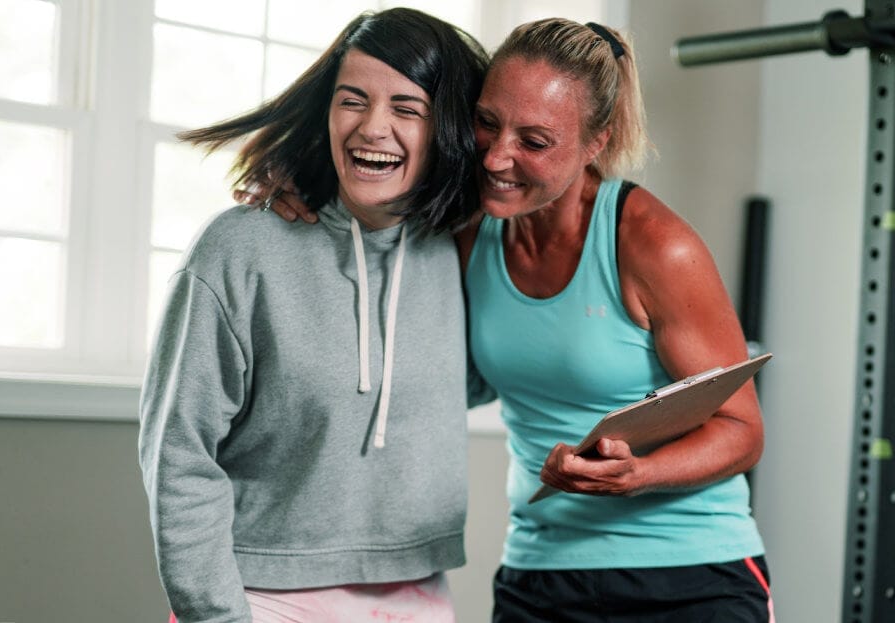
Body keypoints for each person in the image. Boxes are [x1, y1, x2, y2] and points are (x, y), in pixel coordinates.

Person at [270, 17, 775, 623]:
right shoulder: (469, 231)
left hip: (691, 574)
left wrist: (637, 472)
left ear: (597, 143)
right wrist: (300, 188)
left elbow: (743, 429)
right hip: (541, 573)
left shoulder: (654, 246)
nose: (497, 155)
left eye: (534, 141)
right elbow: (376, 184)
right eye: (487, 123)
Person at [137, 8, 488, 623]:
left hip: (418, 592)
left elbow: (472, 380)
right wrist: (218, 616)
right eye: (352, 101)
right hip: (260, 594)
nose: (372, 128)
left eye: (407, 109)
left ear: (447, 129)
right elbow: (180, 455)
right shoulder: (241, 248)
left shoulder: (454, 247)